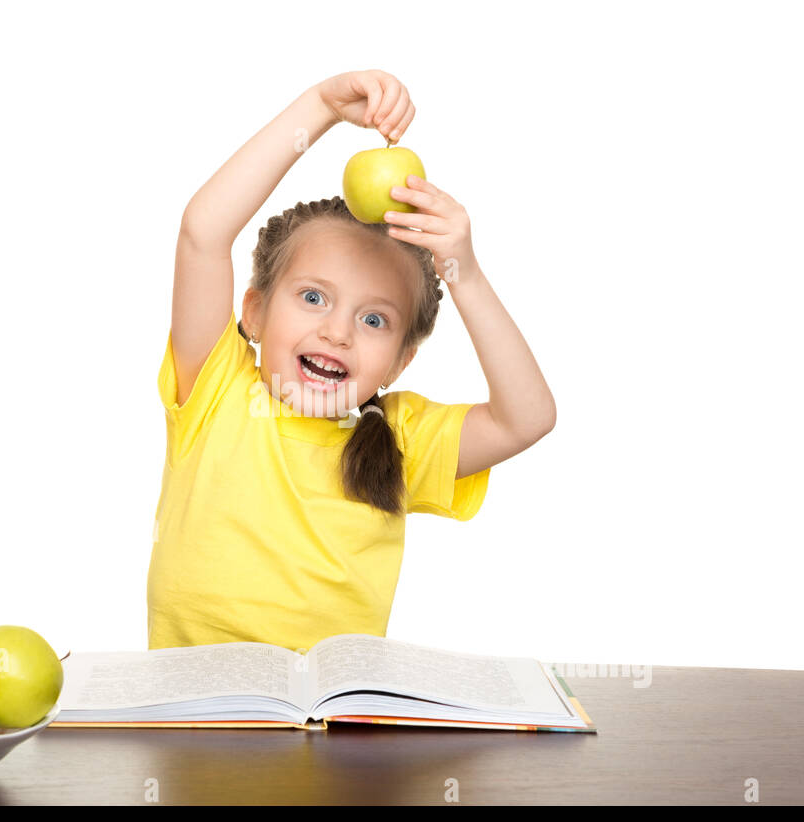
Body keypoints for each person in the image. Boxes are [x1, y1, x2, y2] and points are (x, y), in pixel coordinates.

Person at [148, 70, 557, 653]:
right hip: (194, 718)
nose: (337, 331)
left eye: (374, 320)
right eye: (312, 297)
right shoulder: (214, 391)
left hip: (335, 728)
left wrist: (461, 268)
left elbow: (529, 418)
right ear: (256, 311)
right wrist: (320, 107)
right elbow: (203, 232)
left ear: (400, 360)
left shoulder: (402, 436)